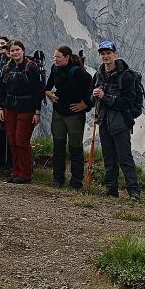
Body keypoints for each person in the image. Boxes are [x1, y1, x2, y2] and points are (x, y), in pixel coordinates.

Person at [92, 41, 142, 200]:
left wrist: (104, 97)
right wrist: (94, 96)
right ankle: (111, 189)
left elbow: (128, 102)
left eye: (108, 53)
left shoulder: (126, 76)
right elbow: (91, 97)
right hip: (104, 120)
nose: (105, 56)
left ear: (115, 54)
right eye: (103, 53)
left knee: (124, 158)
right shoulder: (98, 74)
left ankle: (134, 192)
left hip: (121, 122)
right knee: (108, 157)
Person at [46, 45, 93, 189]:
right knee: (58, 146)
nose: (55, 60)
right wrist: (49, 94)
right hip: (59, 112)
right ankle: (57, 179)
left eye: (58, 57)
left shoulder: (77, 72)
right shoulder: (55, 69)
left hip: (74, 115)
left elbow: (91, 88)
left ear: (66, 57)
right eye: (54, 57)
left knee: (75, 148)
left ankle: (76, 182)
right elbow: (48, 87)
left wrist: (85, 104)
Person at [0, 40, 44, 184]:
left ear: (23, 50)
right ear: (9, 53)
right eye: (12, 51)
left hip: (27, 109)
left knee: (21, 141)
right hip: (10, 108)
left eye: (17, 50)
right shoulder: (7, 68)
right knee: (12, 141)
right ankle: (16, 171)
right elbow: (2, 90)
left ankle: (26, 174)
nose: (15, 53)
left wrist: (37, 112)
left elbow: (38, 92)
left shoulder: (31, 68)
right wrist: (0, 107)